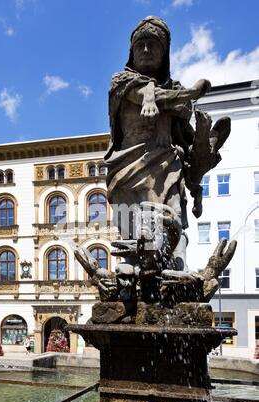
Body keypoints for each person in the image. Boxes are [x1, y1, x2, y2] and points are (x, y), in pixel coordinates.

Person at [105, 16, 229, 273]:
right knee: (131, 223)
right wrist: (192, 93)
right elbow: (149, 97)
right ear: (132, 51)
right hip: (127, 162)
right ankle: (130, 265)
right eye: (141, 45)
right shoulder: (121, 81)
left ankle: (177, 267)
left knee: (170, 219)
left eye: (154, 45)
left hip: (165, 163)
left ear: (164, 54)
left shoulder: (173, 89)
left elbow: (183, 124)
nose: (147, 50)